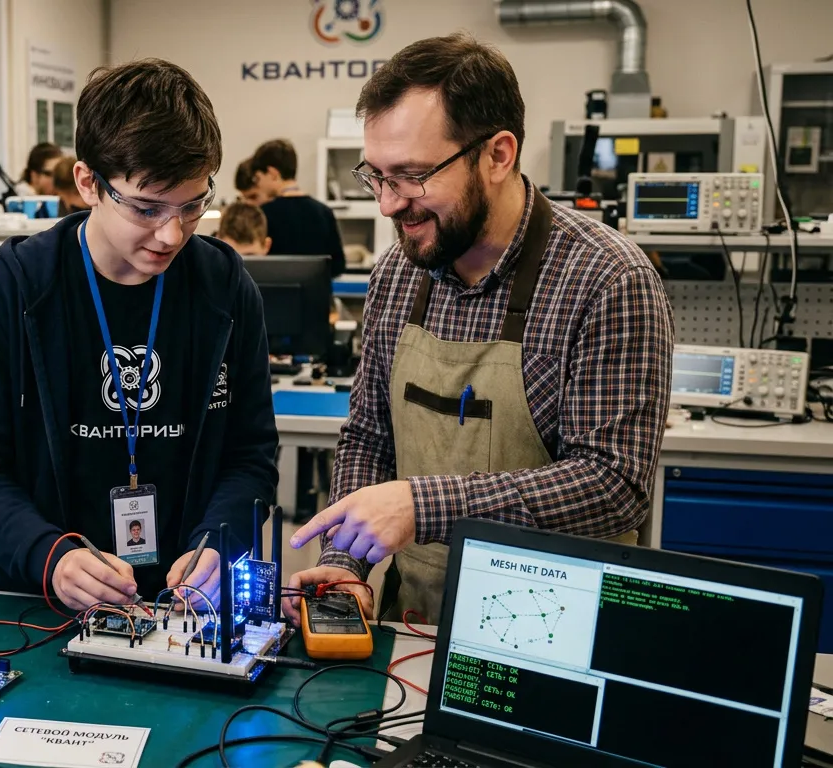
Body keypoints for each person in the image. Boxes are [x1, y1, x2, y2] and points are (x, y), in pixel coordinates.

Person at [283, 33, 673, 625]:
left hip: (563, 634)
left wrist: (424, 505)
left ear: (498, 155)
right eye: (378, 176)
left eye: (412, 176)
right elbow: (369, 438)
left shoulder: (609, 280)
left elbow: (611, 483)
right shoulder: (398, 273)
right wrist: (345, 562)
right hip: (417, 621)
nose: (389, 205)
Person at [0, 58, 278, 611]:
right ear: (88, 184)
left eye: (193, 205)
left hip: (182, 608)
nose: (172, 234)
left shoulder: (225, 289)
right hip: (36, 606)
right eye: (147, 208)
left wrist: (219, 541)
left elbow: (251, 456)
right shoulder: (13, 290)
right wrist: (48, 555)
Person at [250, 139, 346, 275]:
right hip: (317, 295)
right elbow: (338, 267)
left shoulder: (263, 214)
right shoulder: (324, 212)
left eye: (258, 178)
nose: (258, 185)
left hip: (276, 294)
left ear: (272, 173)